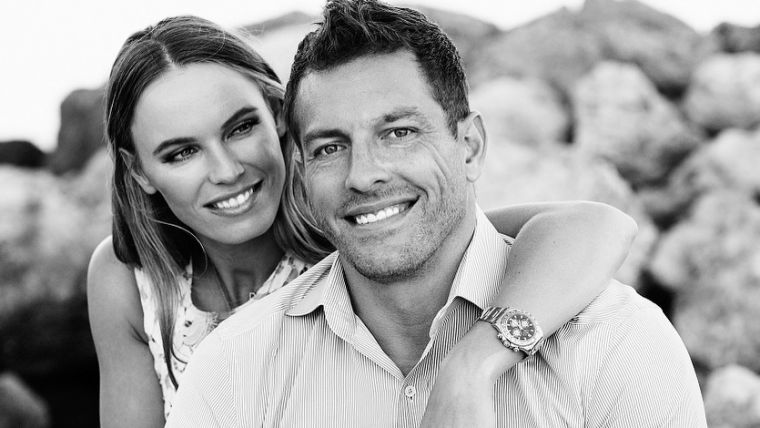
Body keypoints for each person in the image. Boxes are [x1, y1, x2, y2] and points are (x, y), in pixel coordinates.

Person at [165, 1, 707, 427]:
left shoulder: (615, 345)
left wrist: (475, 364)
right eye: (330, 147)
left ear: (470, 147)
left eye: (398, 133)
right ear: (302, 174)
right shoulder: (233, 370)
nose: (363, 175)